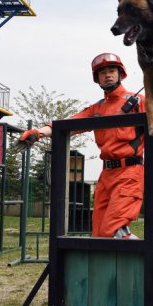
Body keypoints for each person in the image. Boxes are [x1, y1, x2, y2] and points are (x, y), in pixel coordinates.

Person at [16, 53, 146, 239]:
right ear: (97, 78)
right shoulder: (97, 109)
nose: (108, 75)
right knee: (100, 233)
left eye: (111, 71)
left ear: (120, 74)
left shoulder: (138, 101)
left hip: (130, 173)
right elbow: (69, 124)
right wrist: (39, 132)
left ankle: (147, 266)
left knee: (115, 230)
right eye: (102, 73)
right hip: (107, 175)